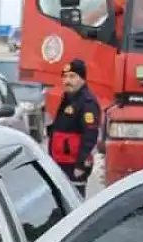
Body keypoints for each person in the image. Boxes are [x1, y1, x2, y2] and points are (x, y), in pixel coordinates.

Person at [47, 58, 101, 193]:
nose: (67, 81)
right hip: (61, 162)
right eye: (65, 77)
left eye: (72, 76)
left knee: (74, 198)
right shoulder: (68, 98)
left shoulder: (87, 102)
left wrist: (80, 164)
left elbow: (90, 135)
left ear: (82, 79)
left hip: (74, 165)